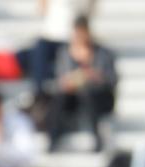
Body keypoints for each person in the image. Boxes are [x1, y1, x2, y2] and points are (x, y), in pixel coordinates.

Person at [43, 17, 116, 152]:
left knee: (88, 94)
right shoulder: (65, 53)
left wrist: (94, 77)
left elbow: (111, 81)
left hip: (98, 96)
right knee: (59, 97)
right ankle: (52, 138)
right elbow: (61, 80)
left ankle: (97, 137)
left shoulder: (103, 53)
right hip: (73, 96)